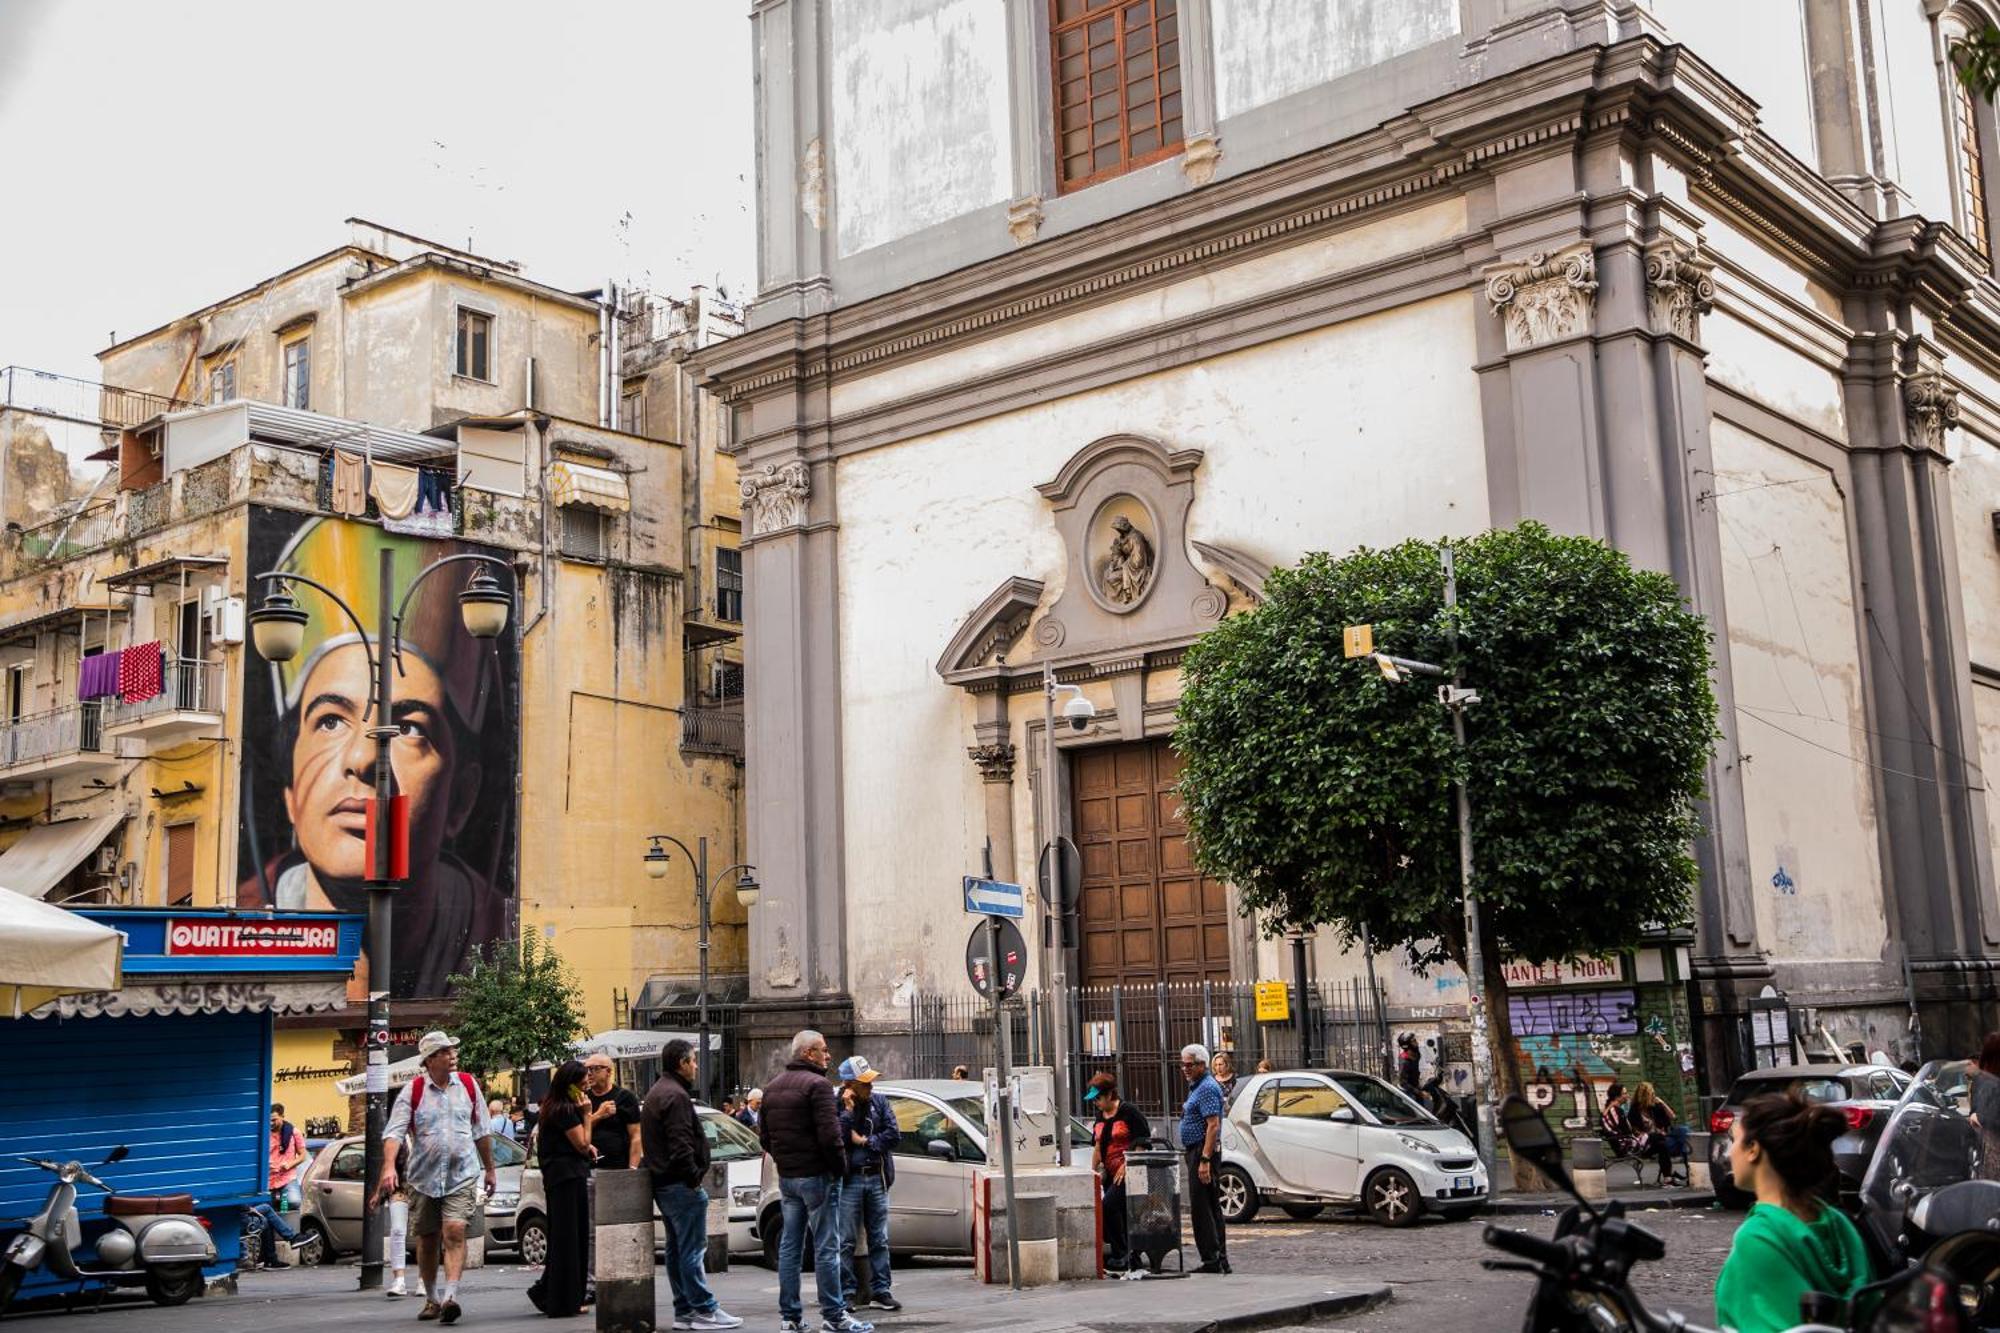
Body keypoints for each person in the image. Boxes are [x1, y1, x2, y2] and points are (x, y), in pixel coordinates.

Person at [237, 521, 512, 999]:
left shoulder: (502, 936)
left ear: (462, 799)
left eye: (409, 729)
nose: (365, 758)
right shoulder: (243, 920)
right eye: (329, 721)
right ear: (289, 795)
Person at [1713, 1092, 1872, 1333]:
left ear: (1753, 1149)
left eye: (1734, 1139)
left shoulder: (1758, 1238)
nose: (1730, 1151)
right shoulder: (1839, 1224)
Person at [374, 1031, 498, 1325]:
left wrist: (490, 1168)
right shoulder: (413, 1091)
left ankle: (450, 1297)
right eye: (445, 1051)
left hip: (462, 1174)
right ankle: (431, 1297)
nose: (453, 1054)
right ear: (429, 1059)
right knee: (427, 1240)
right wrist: (389, 1166)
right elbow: (394, 1132)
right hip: (423, 1178)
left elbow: (481, 1131)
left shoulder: (468, 1085)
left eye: (453, 1050)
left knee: (454, 1230)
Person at [761, 1030, 871, 1333]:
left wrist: (786, 1161)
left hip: (789, 1178)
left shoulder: (771, 1088)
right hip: (818, 1177)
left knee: (790, 1247)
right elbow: (830, 1135)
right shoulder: (819, 1085)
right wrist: (839, 1169)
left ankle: (791, 1317)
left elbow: (765, 1138)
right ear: (808, 1053)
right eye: (823, 1050)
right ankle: (834, 1315)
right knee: (826, 1247)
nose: (828, 1055)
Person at [525, 1060, 597, 1319]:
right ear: (571, 1085)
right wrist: (588, 1115)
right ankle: (564, 1298)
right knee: (570, 1239)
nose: (587, 1084)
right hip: (568, 1178)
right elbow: (581, 1143)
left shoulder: (553, 1107)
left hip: (561, 1177)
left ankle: (553, 1292)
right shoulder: (566, 1110)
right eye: (583, 1081)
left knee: (567, 1238)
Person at [837, 1056, 902, 1314]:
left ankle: (882, 1290)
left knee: (879, 1238)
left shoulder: (879, 1101)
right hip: (850, 1178)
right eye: (865, 1083)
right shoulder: (837, 1105)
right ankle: (847, 1293)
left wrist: (865, 1141)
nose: (871, 1086)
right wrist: (848, 1112)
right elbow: (838, 1138)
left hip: (876, 1175)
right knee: (846, 1240)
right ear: (849, 1085)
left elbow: (894, 1134)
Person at [582, 1051, 642, 1298]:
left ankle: (620, 1276)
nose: (590, 1073)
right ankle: (591, 1283)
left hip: (617, 1172)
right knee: (591, 1229)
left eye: (595, 1068)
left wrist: (633, 1169)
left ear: (609, 1071)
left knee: (619, 1229)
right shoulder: (583, 1099)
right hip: (590, 1170)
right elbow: (578, 1130)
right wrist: (598, 1116)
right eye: (588, 1069)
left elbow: (636, 1136)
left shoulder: (625, 1097)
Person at [1086, 1072, 1150, 1272]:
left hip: (1129, 1172)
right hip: (1110, 1173)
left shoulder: (1129, 1112)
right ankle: (1126, 1253)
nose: (1096, 1102)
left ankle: (1121, 1252)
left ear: (1109, 1094)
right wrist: (1092, 1171)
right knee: (1118, 1213)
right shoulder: (1100, 1117)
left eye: (1098, 1098)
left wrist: (1127, 1164)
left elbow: (1141, 1142)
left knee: (1110, 1206)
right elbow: (1097, 1146)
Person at [1177, 1043, 1229, 1275]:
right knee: (1208, 1205)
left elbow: (1213, 1125)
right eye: (1183, 1065)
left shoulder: (1206, 1087)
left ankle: (1212, 1259)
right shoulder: (1197, 1086)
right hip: (1198, 1150)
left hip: (1201, 1151)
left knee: (1202, 1208)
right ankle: (1219, 1259)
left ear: (1201, 1064)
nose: (1185, 1069)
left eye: (1189, 1065)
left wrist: (1205, 1160)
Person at [1629, 1081, 1689, 1184]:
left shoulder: (1655, 1107)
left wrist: (1662, 1103)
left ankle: (1688, 1169)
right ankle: (1687, 1171)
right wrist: (1653, 1134)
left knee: (1683, 1130)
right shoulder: (1634, 1111)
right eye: (1651, 1094)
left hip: (1664, 1137)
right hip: (1650, 1143)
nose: (1654, 1096)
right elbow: (1636, 1133)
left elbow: (1672, 1117)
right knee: (1677, 1144)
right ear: (1645, 1096)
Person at [384, 1141, 413, 1298]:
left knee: (423, 1233)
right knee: (397, 1230)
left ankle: (424, 1281)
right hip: (400, 1187)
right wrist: (377, 1192)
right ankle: (399, 1280)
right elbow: (387, 1163)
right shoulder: (398, 1134)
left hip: (424, 1188)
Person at [269, 1103, 307, 1217]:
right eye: (269, 1120)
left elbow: (303, 1155)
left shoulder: (294, 1132)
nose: (271, 1123)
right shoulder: (264, 1133)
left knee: (294, 1201)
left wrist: (289, 1164)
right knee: (263, 1206)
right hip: (268, 1178)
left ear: (282, 1116)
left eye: (274, 1120)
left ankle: (281, 1207)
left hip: (287, 1177)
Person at [1971, 1033, 2000, 1181]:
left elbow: (1976, 1114)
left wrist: (1978, 1118)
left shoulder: (1981, 1080)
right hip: (1990, 1152)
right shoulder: (1983, 1080)